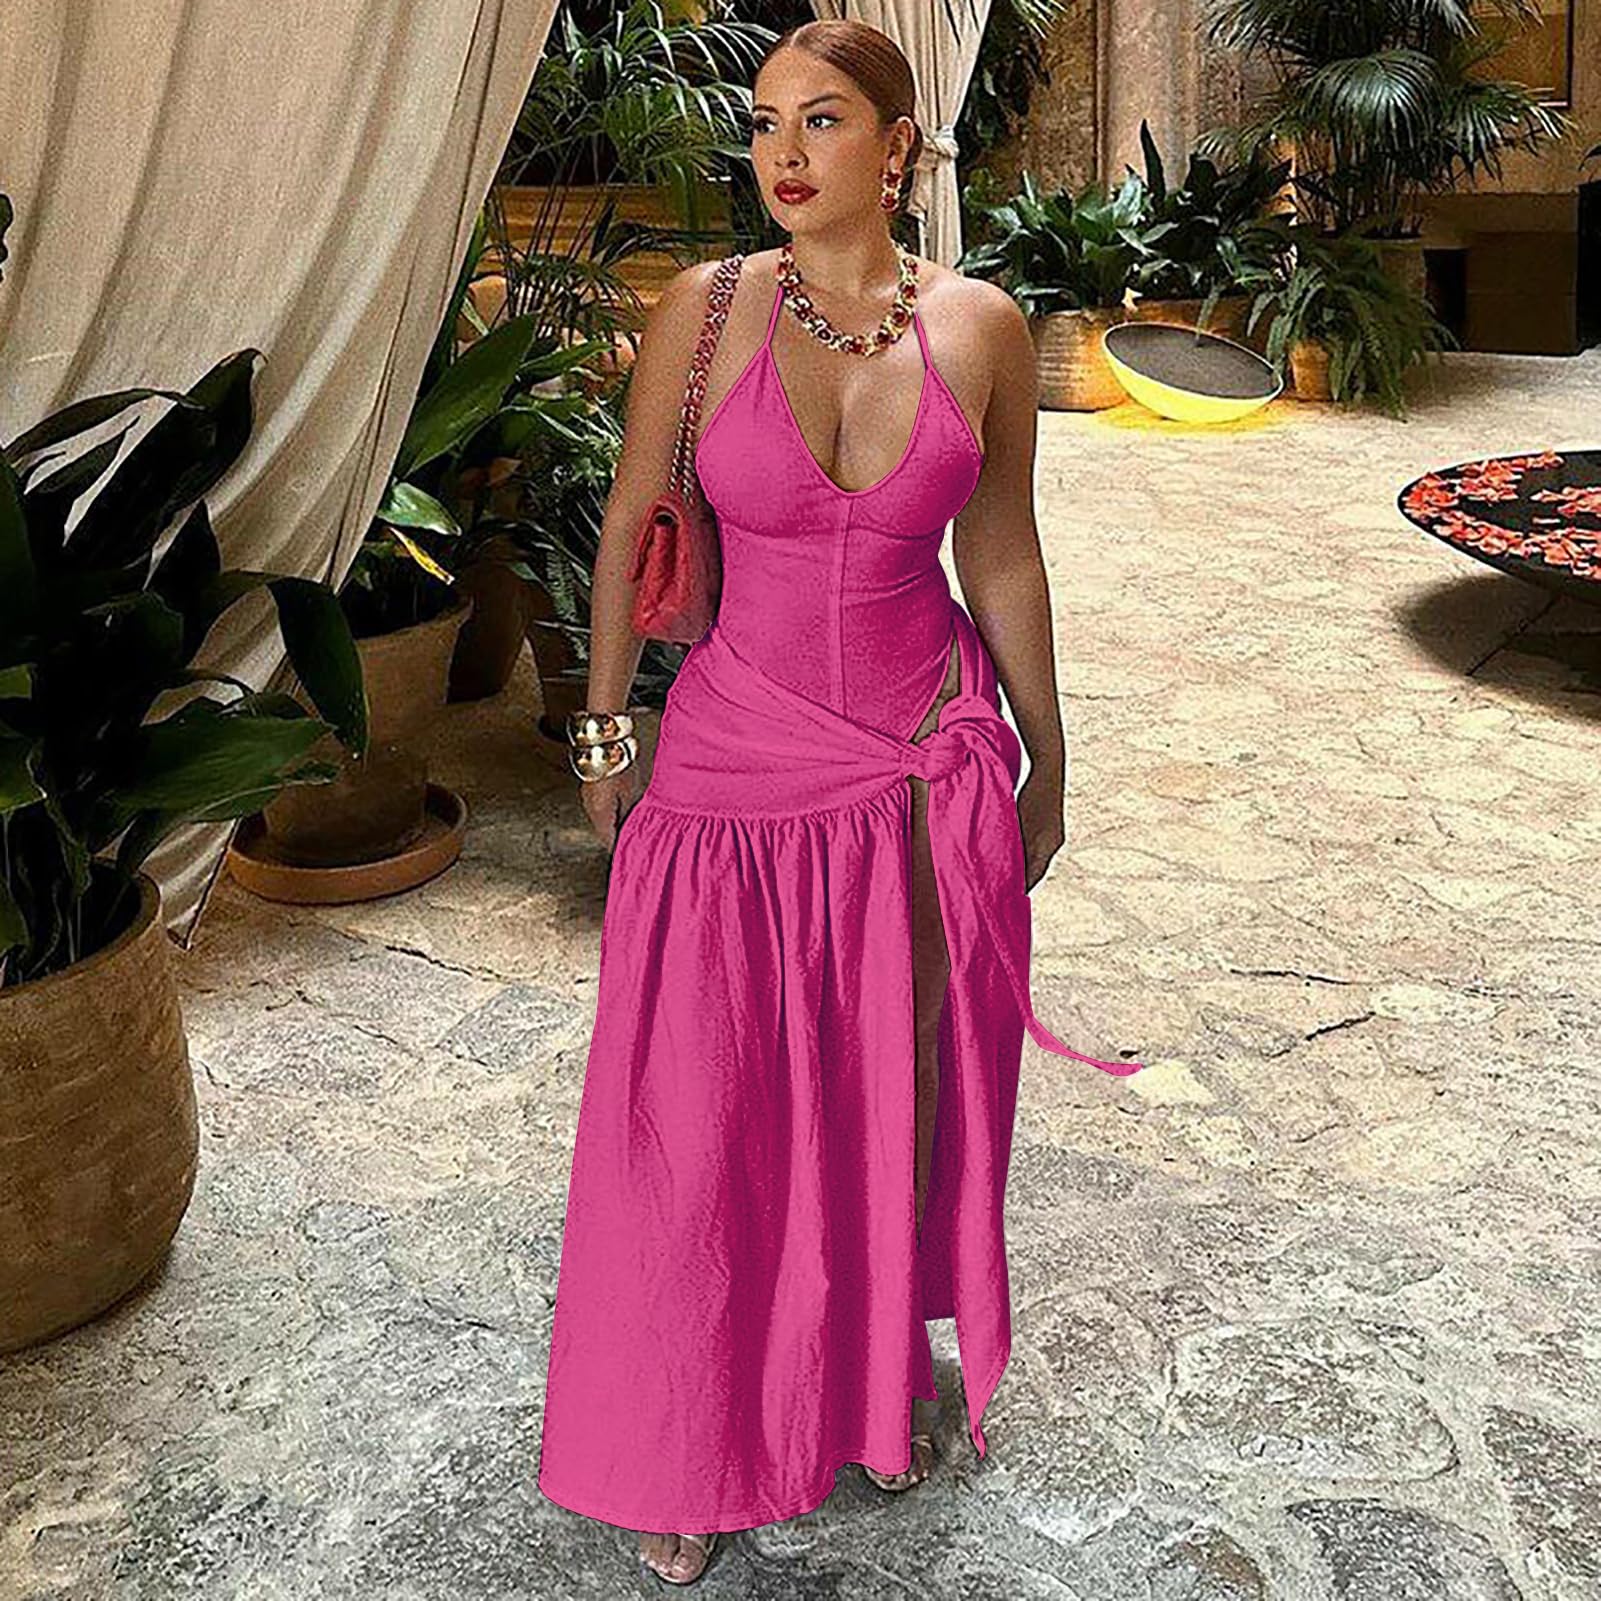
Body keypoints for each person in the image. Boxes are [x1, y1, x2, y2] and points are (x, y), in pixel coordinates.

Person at [536, 18, 1144, 1589]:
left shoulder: (982, 327)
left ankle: (869, 1380)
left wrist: (1044, 755)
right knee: (696, 1109)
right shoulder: (705, 308)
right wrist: (602, 732)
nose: (782, 153)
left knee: (893, 1083)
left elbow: (998, 552)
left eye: (820, 120)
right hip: (731, 761)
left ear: (898, 146)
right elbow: (631, 519)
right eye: (763, 124)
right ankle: (683, 1433)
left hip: (918, 761)